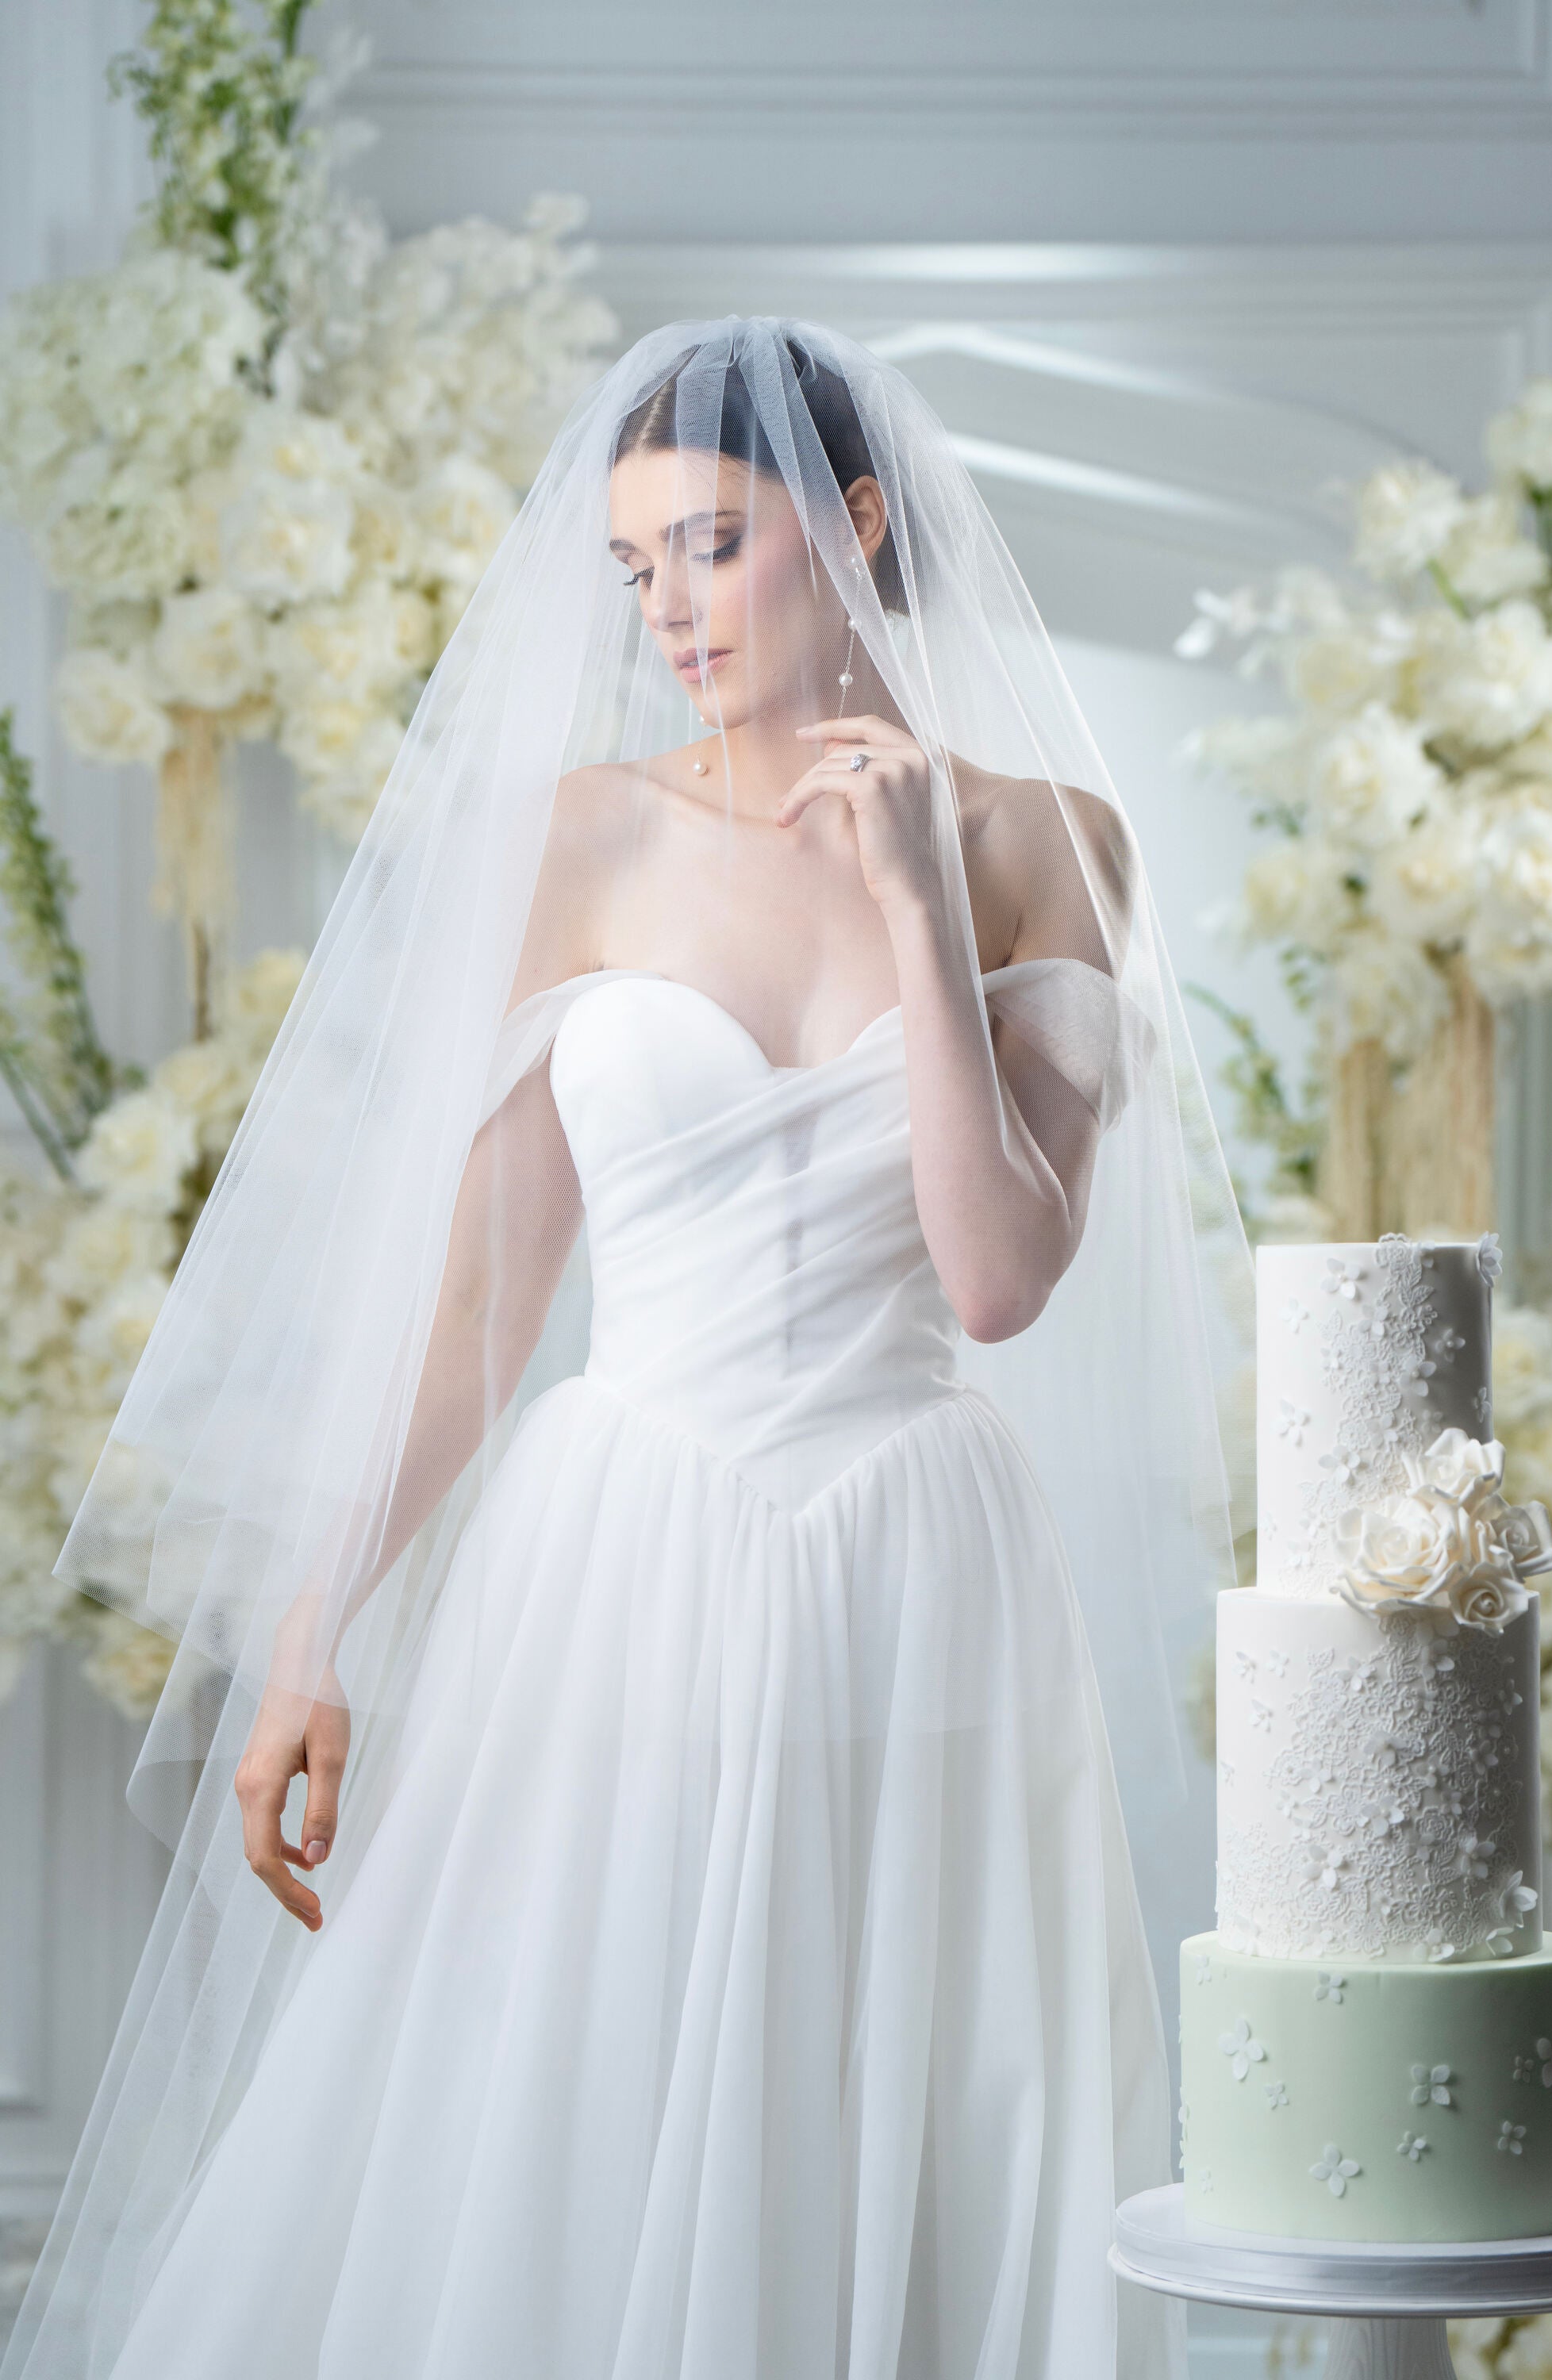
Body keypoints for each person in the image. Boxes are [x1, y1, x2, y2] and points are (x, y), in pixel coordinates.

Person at [4, 319, 1248, 2379]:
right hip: (619, 1555)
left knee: (888, 2085)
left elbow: (1003, 1274)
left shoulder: (1051, 841)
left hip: (913, 1559)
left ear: (851, 529)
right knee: (573, 2093)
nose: (667, 612)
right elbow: (487, 1293)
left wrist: (928, 914)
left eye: (712, 549)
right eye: (635, 568)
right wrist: (314, 1635)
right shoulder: (582, 836)